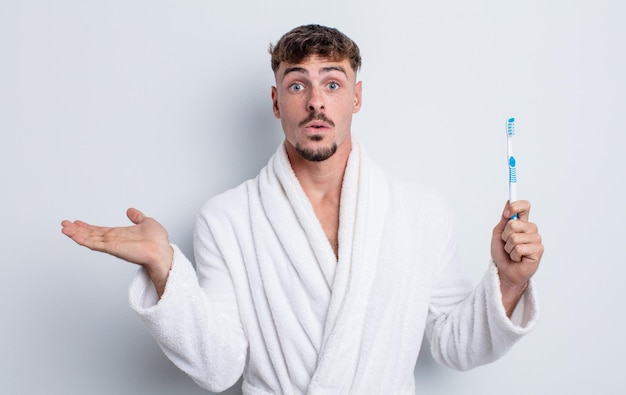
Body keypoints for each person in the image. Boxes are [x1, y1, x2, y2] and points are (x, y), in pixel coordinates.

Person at [61, 24, 543, 395]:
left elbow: (452, 347)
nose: (316, 102)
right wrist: (165, 269)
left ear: (356, 97)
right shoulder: (227, 219)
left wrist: (510, 281)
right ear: (276, 101)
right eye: (297, 86)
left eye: (332, 84)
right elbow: (220, 366)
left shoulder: (420, 211)